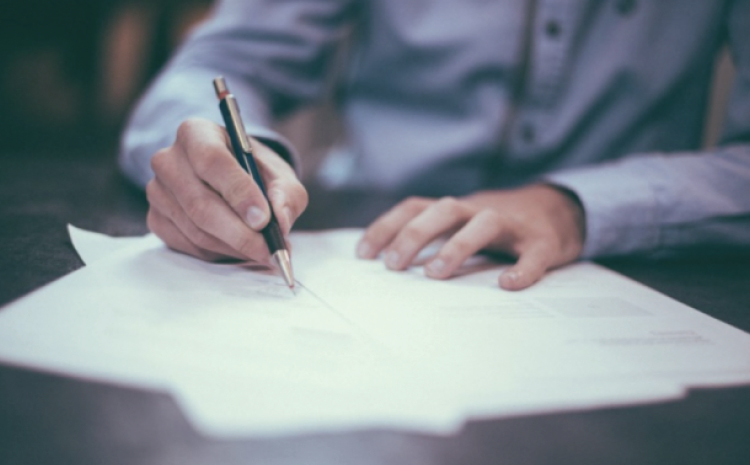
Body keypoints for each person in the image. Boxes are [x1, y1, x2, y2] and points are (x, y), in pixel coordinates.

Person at [120, 0, 750, 291]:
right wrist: (226, 159)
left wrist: (575, 205)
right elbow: (219, 63)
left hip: (636, 268)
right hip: (369, 244)